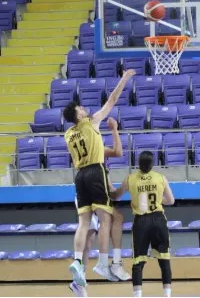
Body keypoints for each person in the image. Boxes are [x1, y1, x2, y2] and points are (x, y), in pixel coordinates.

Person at [64, 69, 135, 287]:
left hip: (80, 176)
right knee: (106, 219)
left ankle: (77, 260)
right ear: (78, 116)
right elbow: (111, 101)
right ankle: (103, 262)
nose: (84, 109)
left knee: (83, 222)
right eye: (80, 109)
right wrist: (124, 78)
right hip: (95, 172)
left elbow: (108, 151)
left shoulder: (68, 134)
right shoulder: (91, 122)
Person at [69, 117, 131, 297]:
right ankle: (104, 263)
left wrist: (123, 188)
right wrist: (114, 129)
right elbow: (118, 151)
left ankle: (78, 282)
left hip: (89, 191)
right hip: (89, 193)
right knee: (105, 222)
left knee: (89, 238)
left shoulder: (102, 170)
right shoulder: (94, 154)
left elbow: (112, 195)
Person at [111, 151, 175, 298]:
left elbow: (115, 196)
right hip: (159, 220)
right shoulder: (161, 178)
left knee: (138, 261)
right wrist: (159, 201)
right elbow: (171, 201)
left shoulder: (130, 179)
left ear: (138, 163)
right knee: (164, 259)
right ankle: (167, 295)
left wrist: (107, 186)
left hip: (141, 222)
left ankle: (138, 295)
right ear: (152, 164)